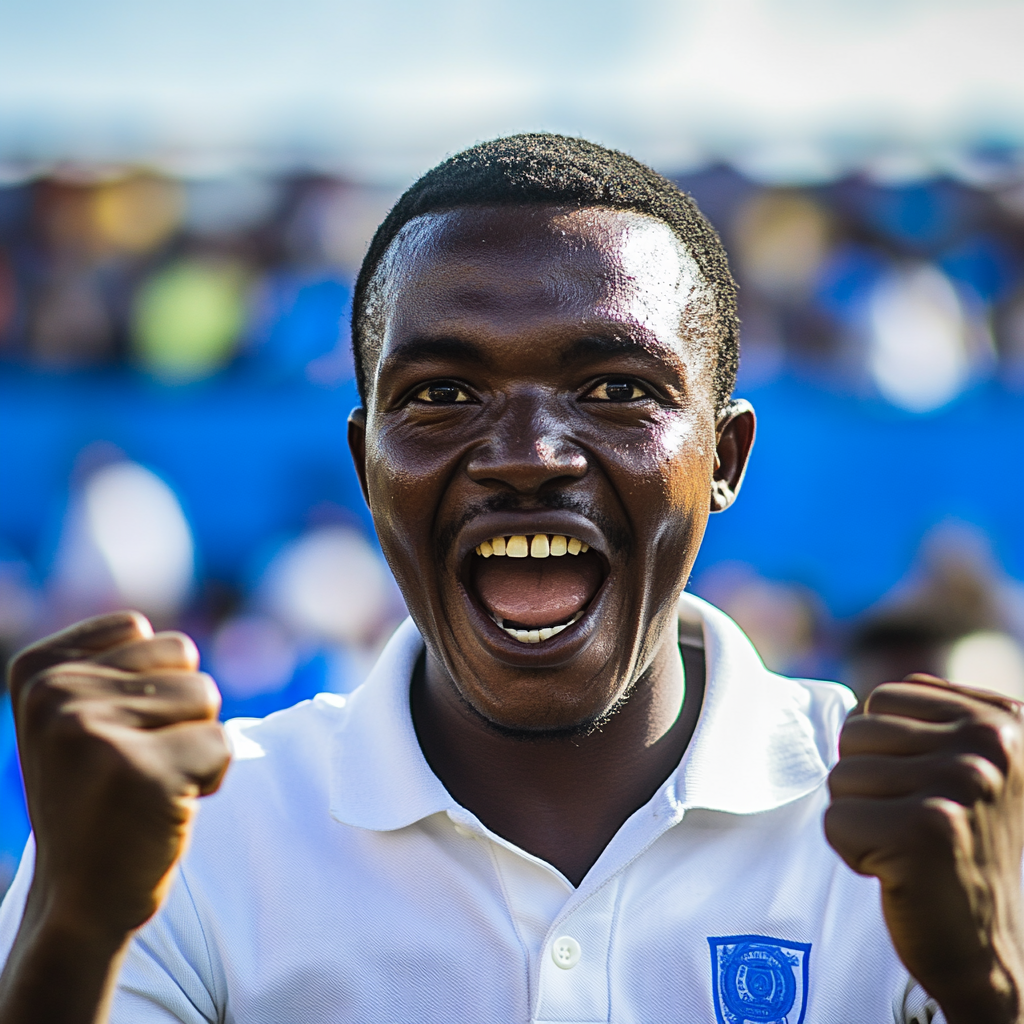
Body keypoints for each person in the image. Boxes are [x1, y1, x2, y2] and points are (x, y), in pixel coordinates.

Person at [1, 134, 1022, 1024]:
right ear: (366, 466)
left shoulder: (926, 834)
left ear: (724, 459)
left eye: (617, 389)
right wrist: (76, 935)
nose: (529, 452)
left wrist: (992, 983)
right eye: (443, 392)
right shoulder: (199, 836)